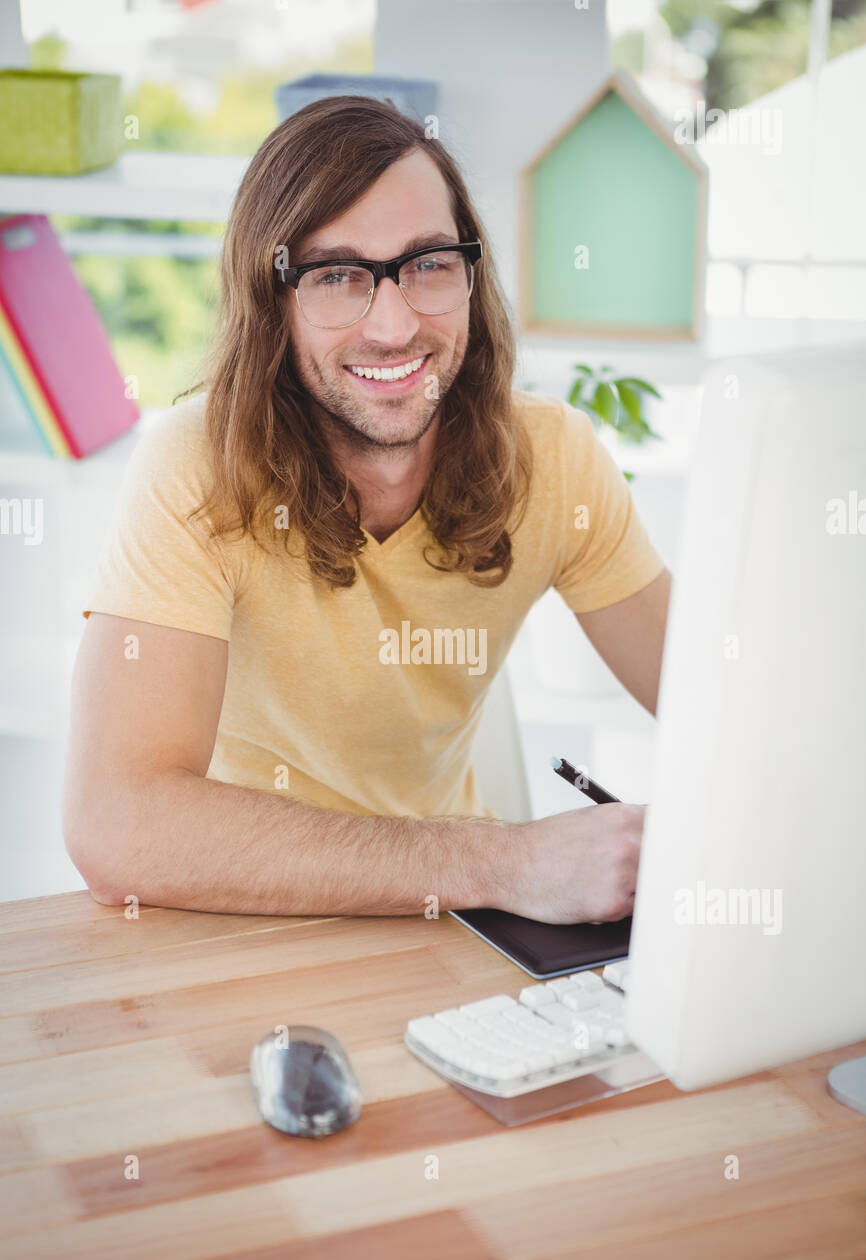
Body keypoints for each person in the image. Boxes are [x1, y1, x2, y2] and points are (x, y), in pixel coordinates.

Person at [63, 96, 671, 926]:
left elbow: (719, 701)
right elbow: (116, 826)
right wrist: (500, 859)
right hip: (234, 913)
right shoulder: (195, 464)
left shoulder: (555, 457)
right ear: (272, 300)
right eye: (338, 276)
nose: (393, 326)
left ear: (470, 274)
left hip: (449, 926)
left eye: (427, 264)